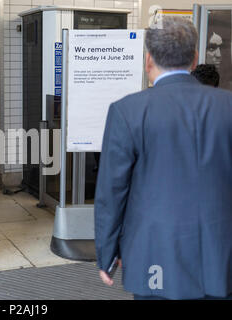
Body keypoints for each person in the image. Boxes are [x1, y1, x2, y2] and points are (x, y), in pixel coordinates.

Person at [94, 16, 232, 300]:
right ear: (195, 59)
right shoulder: (227, 107)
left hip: (154, 254)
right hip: (222, 253)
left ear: (148, 60)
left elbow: (111, 191)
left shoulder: (127, 111)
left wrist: (106, 254)